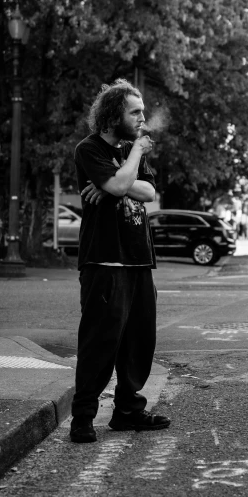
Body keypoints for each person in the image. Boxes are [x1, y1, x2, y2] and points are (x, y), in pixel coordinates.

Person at [70, 79, 170, 444]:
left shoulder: (130, 152)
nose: (142, 118)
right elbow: (119, 185)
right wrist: (127, 166)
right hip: (104, 261)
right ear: (114, 114)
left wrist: (118, 179)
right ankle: (82, 418)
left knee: (139, 342)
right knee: (99, 342)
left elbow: (147, 191)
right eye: (135, 112)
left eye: (143, 111)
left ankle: (128, 412)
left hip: (139, 260)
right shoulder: (89, 149)